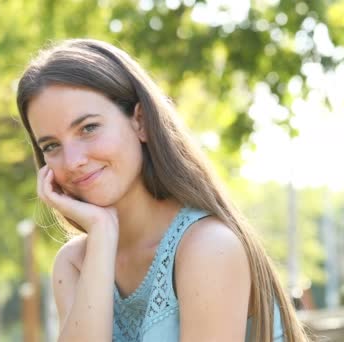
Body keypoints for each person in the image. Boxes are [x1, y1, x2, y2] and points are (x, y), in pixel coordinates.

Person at [16, 39, 310, 341]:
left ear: (140, 121)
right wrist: (102, 234)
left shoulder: (208, 246)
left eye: (88, 128)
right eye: (52, 146)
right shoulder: (74, 263)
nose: (74, 161)